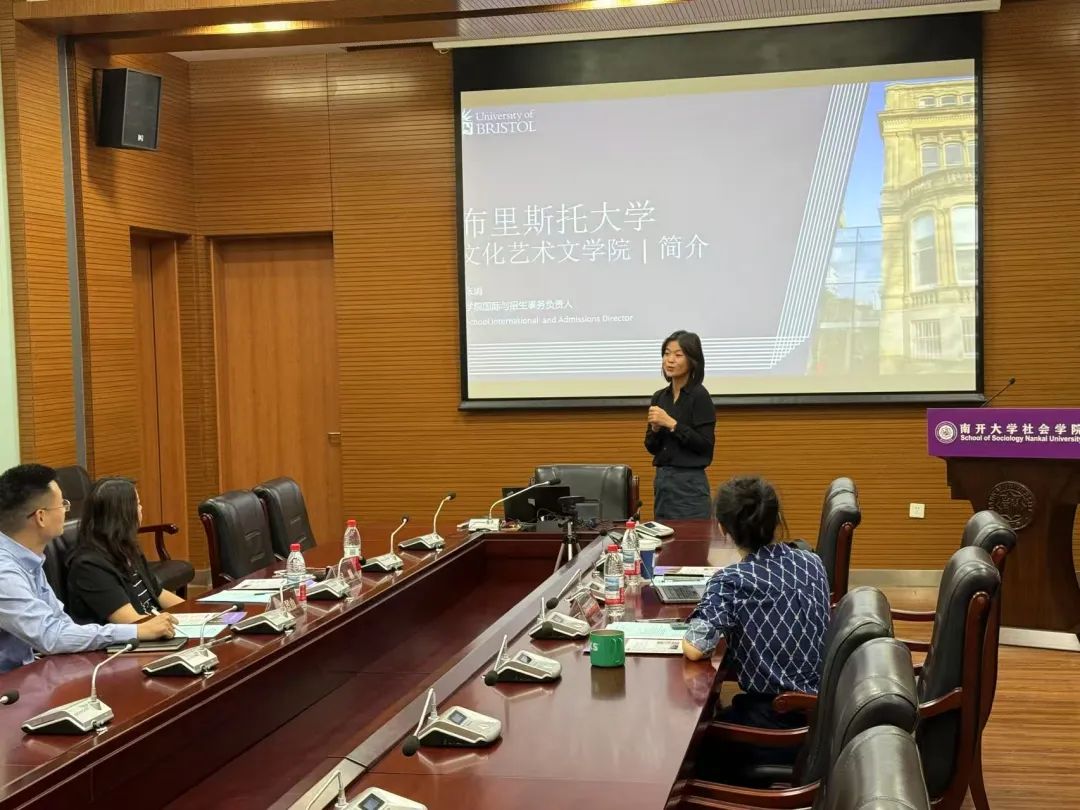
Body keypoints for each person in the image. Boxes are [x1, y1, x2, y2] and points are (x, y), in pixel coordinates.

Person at [681, 475, 830, 781]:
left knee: (691, 747)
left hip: (774, 726)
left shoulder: (731, 581)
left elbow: (695, 649)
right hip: (824, 716)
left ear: (723, 529)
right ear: (775, 521)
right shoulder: (812, 563)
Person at [0, 464, 177, 673]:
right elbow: (50, 636)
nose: (66, 511)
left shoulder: (30, 560)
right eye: (62, 504)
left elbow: (62, 625)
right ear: (41, 517)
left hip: (31, 669)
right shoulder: (5, 573)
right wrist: (135, 631)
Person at [66, 477, 185, 626]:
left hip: (153, 626)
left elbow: (158, 593)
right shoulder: (89, 566)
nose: (141, 508)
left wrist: (198, 613)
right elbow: (131, 623)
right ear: (123, 513)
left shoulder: (126, 546)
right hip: (134, 635)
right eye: (137, 504)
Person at [644, 330, 716, 519]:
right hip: (663, 482)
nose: (670, 360)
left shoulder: (699, 396)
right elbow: (651, 447)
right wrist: (655, 429)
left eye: (678, 355)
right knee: (664, 535)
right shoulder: (660, 397)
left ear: (692, 360)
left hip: (689, 484)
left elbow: (705, 446)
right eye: (666, 354)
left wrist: (672, 424)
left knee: (691, 536)